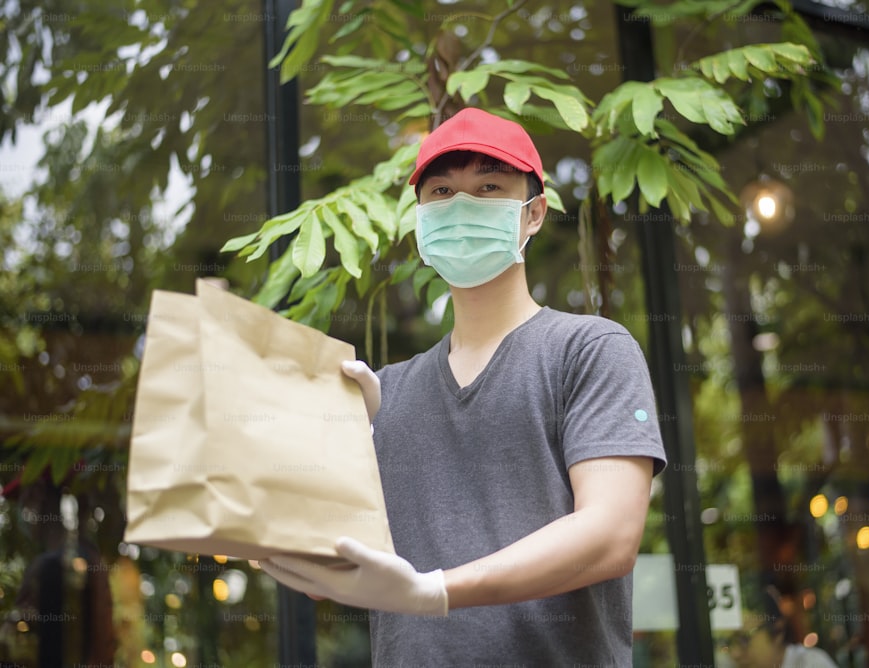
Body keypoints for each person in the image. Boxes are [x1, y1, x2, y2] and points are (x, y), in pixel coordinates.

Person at [262, 107, 667, 665]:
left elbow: (611, 534)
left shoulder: (590, 350)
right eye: (443, 191)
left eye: (489, 187)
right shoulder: (385, 393)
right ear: (420, 216)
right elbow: (330, 569)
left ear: (534, 213)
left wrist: (438, 591)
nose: (462, 207)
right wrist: (296, 476)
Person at [718, 586, 838, 668]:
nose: (735, 653)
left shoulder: (810, 663)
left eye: (744, 639)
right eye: (729, 642)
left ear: (777, 632)